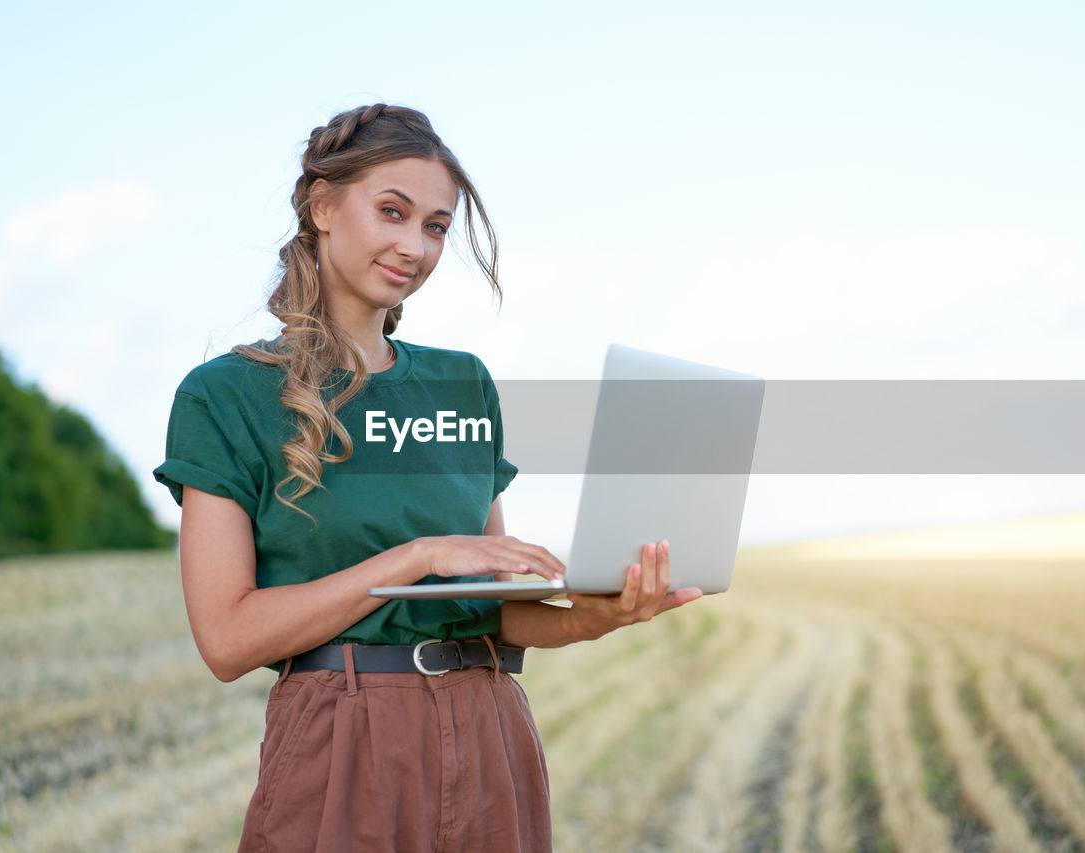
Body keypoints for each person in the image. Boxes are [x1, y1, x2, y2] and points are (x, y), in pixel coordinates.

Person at [154, 103, 702, 852]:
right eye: (392, 212)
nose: (415, 246)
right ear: (322, 205)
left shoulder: (463, 385)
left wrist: (598, 611)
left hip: (490, 731)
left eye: (437, 226)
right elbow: (225, 637)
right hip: (342, 735)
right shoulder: (222, 397)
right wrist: (417, 558)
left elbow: (493, 614)